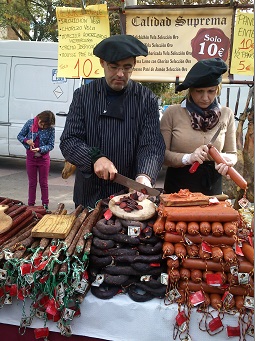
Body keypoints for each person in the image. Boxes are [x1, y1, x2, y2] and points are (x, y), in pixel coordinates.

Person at [60, 34, 165, 208]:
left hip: (129, 196)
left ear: (134, 65)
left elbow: (152, 144)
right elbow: (69, 141)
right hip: (89, 193)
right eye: (113, 67)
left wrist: (145, 175)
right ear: (102, 63)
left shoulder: (146, 99)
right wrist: (95, 158)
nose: (120, 74)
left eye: (127, 67)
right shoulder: (83, 96)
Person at [160, 58, 237, 196]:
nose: (205, 97)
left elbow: (233, 153)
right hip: (178, 188)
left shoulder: (227, 114)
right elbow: (161, 155)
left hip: (212, 188)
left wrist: (227, 159)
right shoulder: (172, 113)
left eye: (211, 91)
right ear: (190, 90)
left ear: (217, 89)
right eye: (199, 91)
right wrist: (188, 158)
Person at [17, 110, 55, 209]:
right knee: (32, 183)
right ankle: (31, 205)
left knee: (44, 182)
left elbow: (51, 145)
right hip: (31, 158)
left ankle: (45, 205)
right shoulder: (30, 123)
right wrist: (27, 141)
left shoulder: (51, 129)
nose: (42, 126)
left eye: (45, 126)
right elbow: (20, 136)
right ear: (39, 118)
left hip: (43, 159)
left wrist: (40, 149)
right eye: (41, 123)